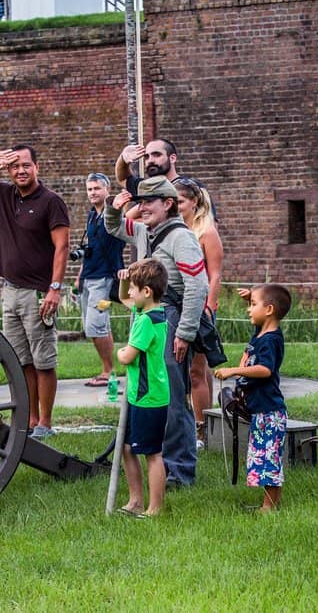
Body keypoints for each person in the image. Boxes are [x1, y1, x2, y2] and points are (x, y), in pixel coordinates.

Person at [105, 176, 208, 487]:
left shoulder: (181, 238)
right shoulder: (145, 232)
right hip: (148, 317)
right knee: (151, 392)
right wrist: (114, 208)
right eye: (140, 202)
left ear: (168, 203)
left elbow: (197, 286)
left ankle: (179, 470)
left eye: (149, 202)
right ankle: (158, 463)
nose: (143, 207)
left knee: (172, 398)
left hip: (171, 320)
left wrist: (185, 333)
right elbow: (114, 227)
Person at [0, 145, 70, 440]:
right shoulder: (4, 194)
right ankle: (30, 419)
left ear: (37, 167)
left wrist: (55, 288)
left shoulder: (51, 202)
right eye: (14, 167)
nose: (20, 171)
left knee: (43, 360)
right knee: (21, 360)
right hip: (10, 290)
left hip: (37, 292)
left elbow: (62, 247)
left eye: (26, 165)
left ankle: (45, 423)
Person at [214, 284, 292, 513]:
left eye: (253, 305)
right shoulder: (261, 333)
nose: (249, 309)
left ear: (269, 310)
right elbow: (261, 318)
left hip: (270, 412)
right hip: (261, 411)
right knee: (262, 457)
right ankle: (269, 504)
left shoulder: (270, 340)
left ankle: (269, 507)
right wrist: (251, 297)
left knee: (269, 460)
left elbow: (265, 369)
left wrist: (234, 371)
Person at [115, 258, 170, 517]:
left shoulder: (147, 321)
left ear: (146, 292)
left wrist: (120, 352)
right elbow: (123, 298)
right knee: (127, 449)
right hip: (139, 397)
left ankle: (155, 508)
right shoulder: (149, 311)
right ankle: (136, 501)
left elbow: (127, 357)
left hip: (149, 398)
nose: (129, 292)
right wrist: (125, 279)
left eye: (133, 288)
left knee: (152, 454)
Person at [173, 177, 224, 449]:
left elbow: (214, 275)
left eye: (180, 201)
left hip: (200, 307)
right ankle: (202, 419)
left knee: (196, 371)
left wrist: (209, 308)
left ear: (194, 202)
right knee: (192, 371)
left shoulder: (206, 232)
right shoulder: (174, 230)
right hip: (178, 305)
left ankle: (201, 428)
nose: (176, 205)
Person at [76, 173, 126, 387]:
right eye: (89, 189)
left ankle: (108, 371)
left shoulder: (113, 214)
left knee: (96, 324)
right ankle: (106, 369)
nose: (92, 192)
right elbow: (90, 246)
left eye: (97, 188)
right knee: (93, 325)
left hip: (105, 279)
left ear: (107, 190)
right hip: (88, 277)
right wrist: (80, 274)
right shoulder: (91, 215)